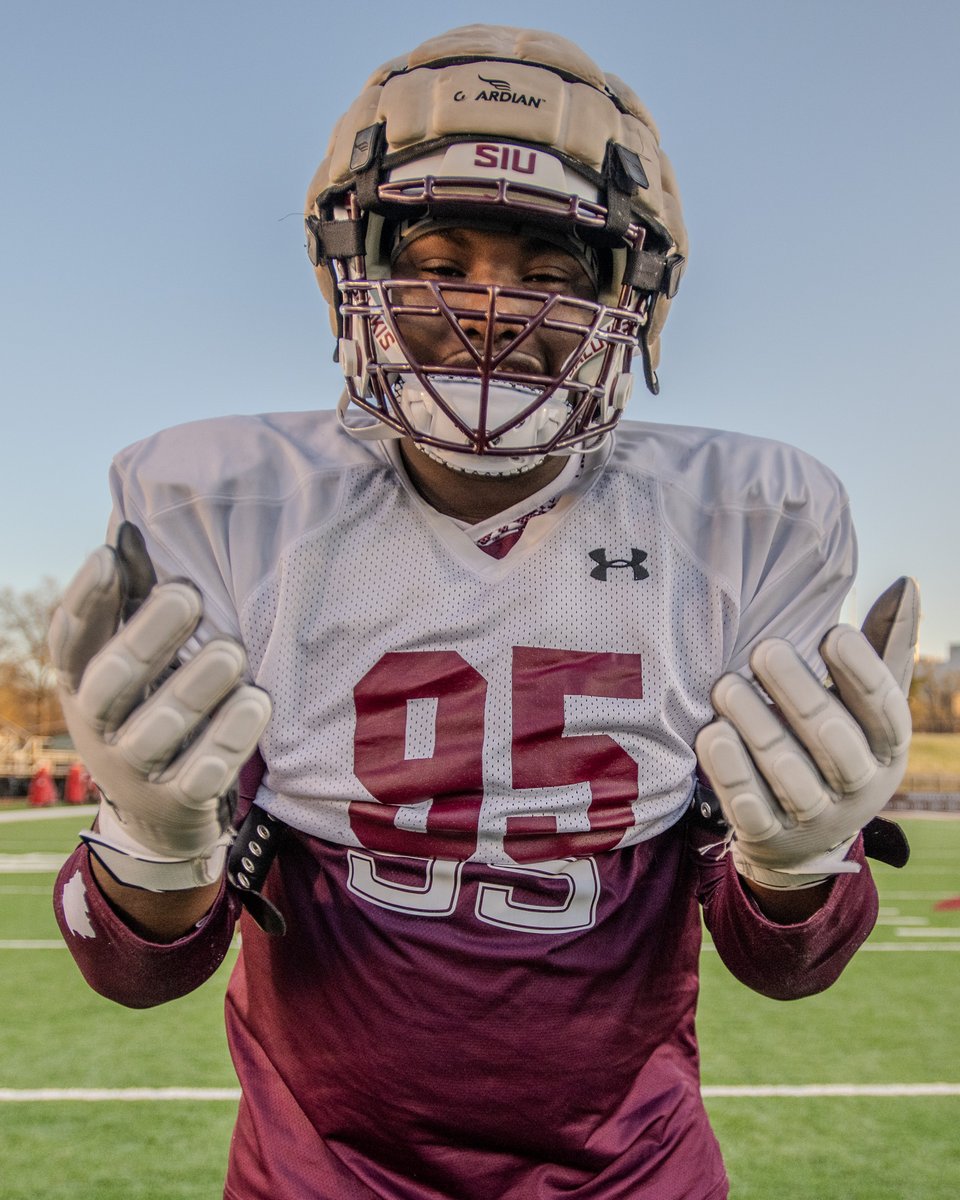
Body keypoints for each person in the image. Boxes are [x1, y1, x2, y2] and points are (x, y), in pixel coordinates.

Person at [50, 24, 918, 1200]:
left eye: (552, 274)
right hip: (322, 1178)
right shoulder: (230, 512)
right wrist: (154, 845)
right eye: (442, 259)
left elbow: (785, 966)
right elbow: (143, 971)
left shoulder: (743, 526)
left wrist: (801, 868)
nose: (492, 308)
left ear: (632, 297)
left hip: (630, 1175)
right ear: (355, 271)